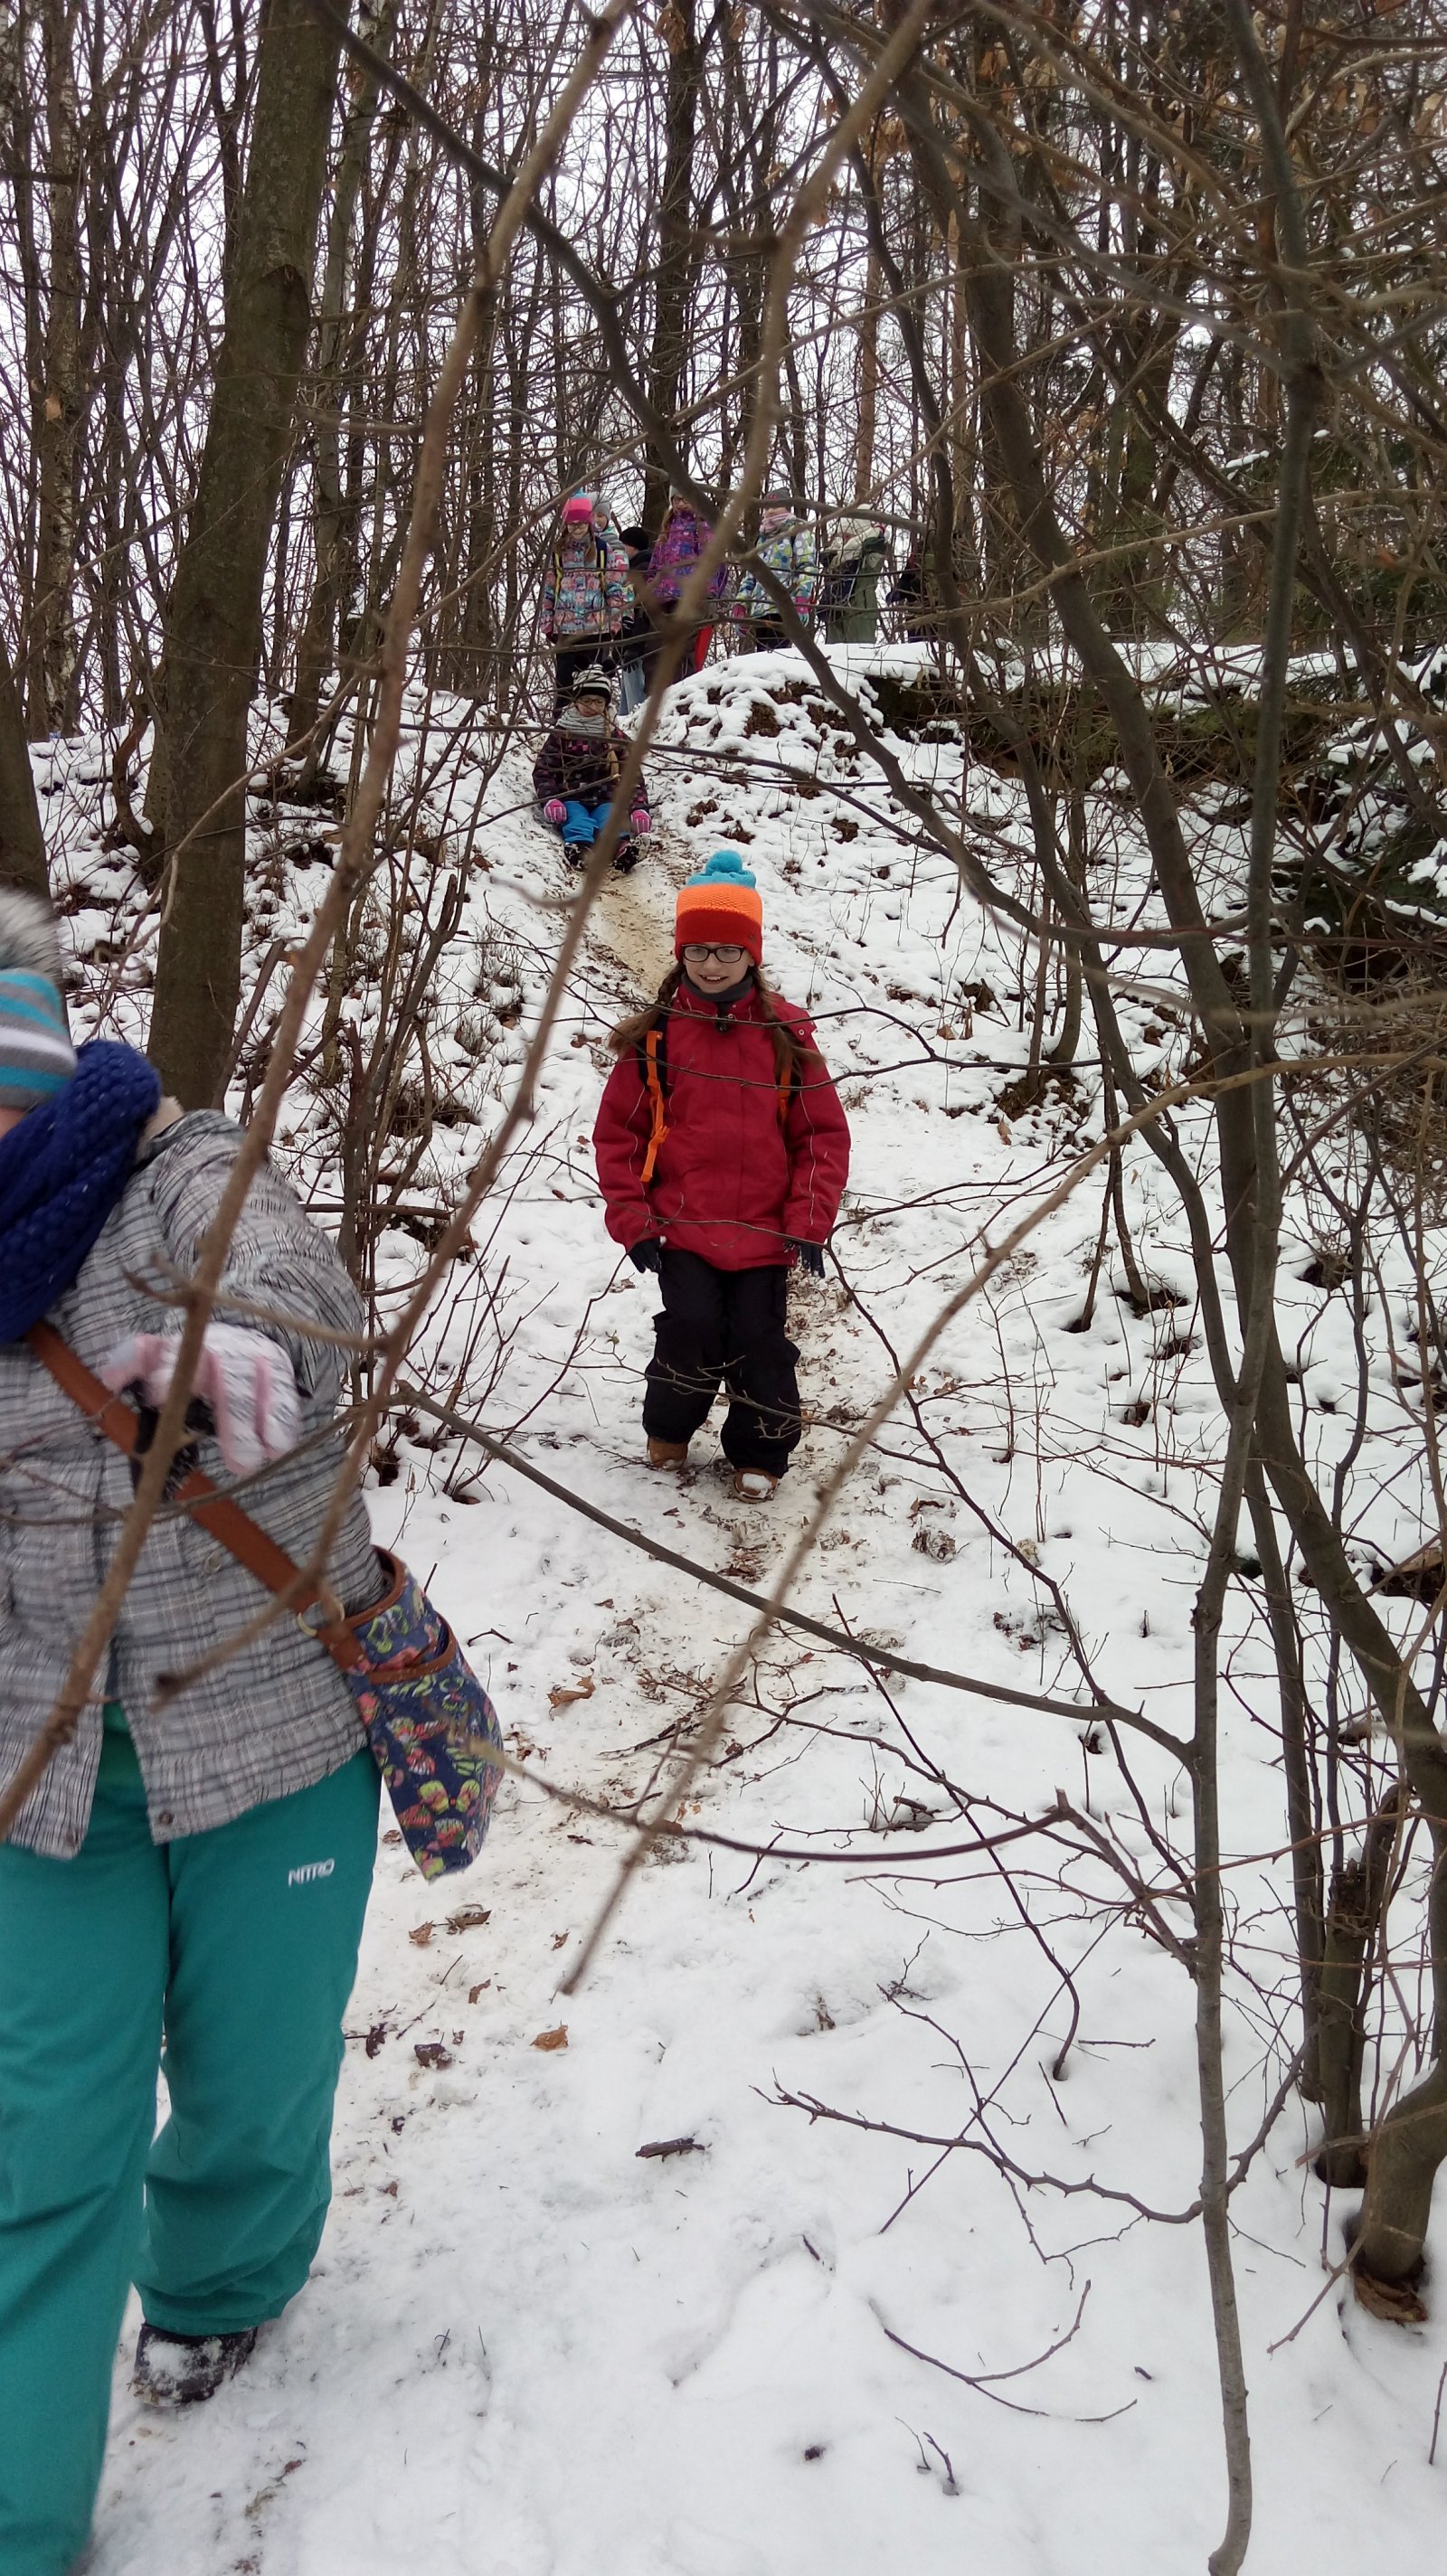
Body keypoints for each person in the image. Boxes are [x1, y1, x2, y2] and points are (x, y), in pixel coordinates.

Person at [0, 891, 389, 2575]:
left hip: (267, 1727)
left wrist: (244, 1340)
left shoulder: (170, 1165)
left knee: (254, 2074)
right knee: (38, 2143)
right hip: (36, 1778)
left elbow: (288, 1270)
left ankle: (222, 2278)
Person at [592, 852, 849, 1498]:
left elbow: (820, 1135)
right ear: (681, 953)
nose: (712, 964)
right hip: (684, 1227)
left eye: (727, 951)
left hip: (764, 1231)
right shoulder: (656, 1038)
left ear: (751, 955)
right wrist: (634, 1219)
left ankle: (759, 1453)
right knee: (692, 1329)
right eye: (698, 950)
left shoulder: (786, 1034)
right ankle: (669, 1430)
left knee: (759, 1339)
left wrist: (809, 1220)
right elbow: (618, 1135)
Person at [534, 664, 652, 872]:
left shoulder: (615, 736)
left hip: (607, 799)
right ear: (576, 701)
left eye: (599, 701)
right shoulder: (562, 734)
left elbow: (632, 775)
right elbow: (544, 769)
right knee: (578, 821)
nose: (592, 706)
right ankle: (580, 850)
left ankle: (623, 852)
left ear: (606, 704)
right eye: (586, 700)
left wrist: (639, 808)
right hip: (572, 797)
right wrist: (550, 799)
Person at [539, 490, 628, 702]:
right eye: (571, 524)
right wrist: (547, 623)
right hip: (565, 630)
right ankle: (561, 720)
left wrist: (615, 622)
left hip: (596, 629)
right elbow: (549, 590)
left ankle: (594, 720)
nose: (576, 529)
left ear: (588, 522)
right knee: (564, 688)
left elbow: (614, 588)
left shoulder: (603, 550)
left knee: (592, 686)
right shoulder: (558, 552)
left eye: (580, 524)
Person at [646, 487, 729, 678]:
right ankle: (652, 693)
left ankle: (681, 689)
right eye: (676, 499)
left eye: (685, 499)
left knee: (682, 651)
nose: (681, 504)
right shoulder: (668, 528)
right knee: (654, 652)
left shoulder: (704, 526)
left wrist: (708, 595)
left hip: (691, 596)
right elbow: (655, 564)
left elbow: (711, 563)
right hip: (663, 598)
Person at [733, 486, 818, 649]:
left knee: (779, 654)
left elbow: (806, 566)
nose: (770, 511)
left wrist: (802, 598)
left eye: (776, 506)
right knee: (762, 657)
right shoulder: (762, 538)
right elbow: (751, 575)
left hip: (784, 605)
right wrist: (741, 603)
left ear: (787, 507)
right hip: (760, 608)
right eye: (767, 507)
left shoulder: (797, 530)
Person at [820, 513, 892, 645]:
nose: (845, 541)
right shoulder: (836, 557)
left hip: (861, 611)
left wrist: (876, 532)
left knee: (861, 652)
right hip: (835, 610)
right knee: (834, 653)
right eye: (843, 536)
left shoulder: (871, 554)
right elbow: (827, 556)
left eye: (848, 536)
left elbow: (870, 547)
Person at [614, 523, 657, 714]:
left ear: (633, 547)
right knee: (626, 706)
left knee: (636, 703)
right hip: (629, 645)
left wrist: (634, 646)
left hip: (639, 646)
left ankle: (638, 727)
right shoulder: (629, 572)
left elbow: (642, 611)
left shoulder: (643, 572)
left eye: (622, 545)